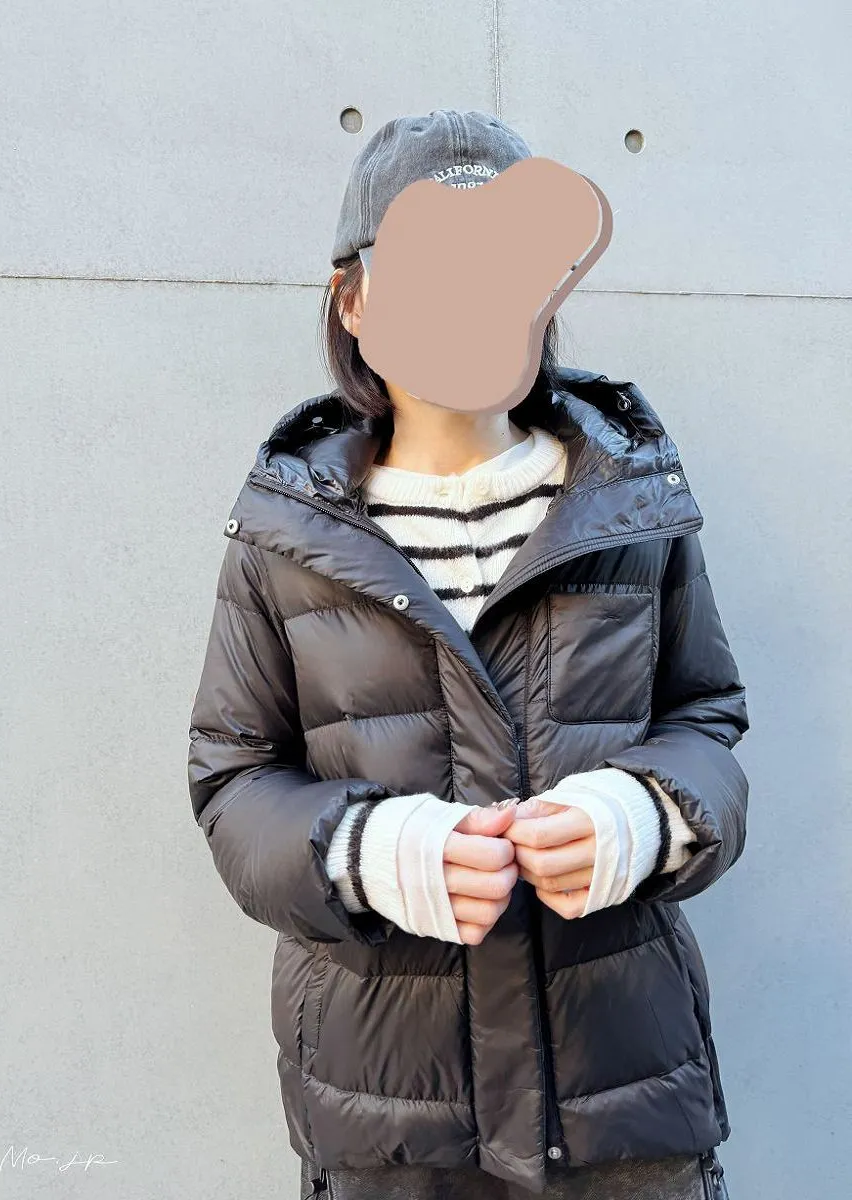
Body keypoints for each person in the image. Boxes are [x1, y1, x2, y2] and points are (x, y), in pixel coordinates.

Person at [187, 110, 745, 1200]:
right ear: (354, 300)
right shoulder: (287, 530)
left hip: (622, 1097)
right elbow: (232, 780)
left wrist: (644, 818)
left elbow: (706, 720)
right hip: (387, 1115)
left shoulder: (630, 502)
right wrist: (368, 852)